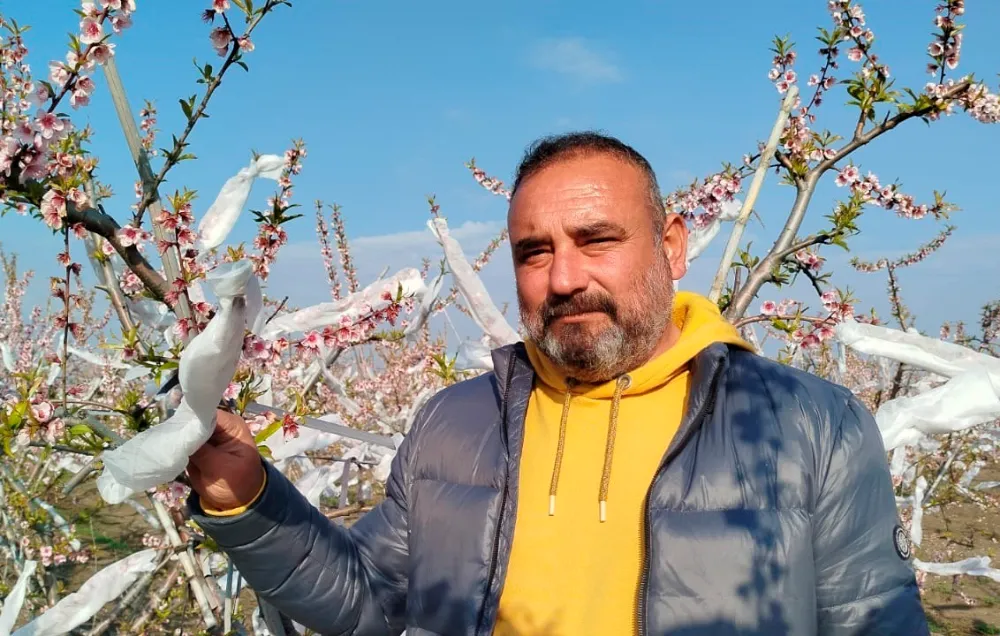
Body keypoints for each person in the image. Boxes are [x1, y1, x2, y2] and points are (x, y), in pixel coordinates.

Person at [186, 132, 929, 636]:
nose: (564, 278)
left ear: (672, 247)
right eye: (533, 252)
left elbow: (872, 619)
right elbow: (368, 599)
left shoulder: (807, 423)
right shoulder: (454, 423)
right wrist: (249, 500)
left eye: (597, 239)